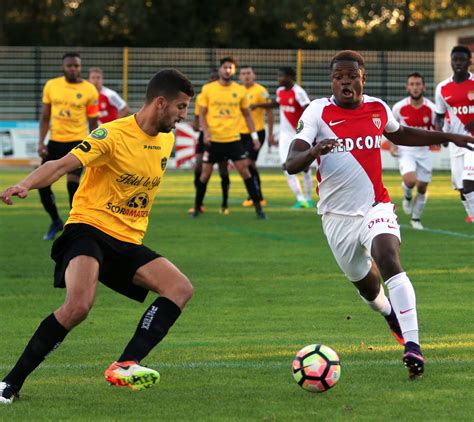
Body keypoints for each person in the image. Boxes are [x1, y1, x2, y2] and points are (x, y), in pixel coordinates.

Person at [0, 69, 195, 404]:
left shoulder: (167, 138)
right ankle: (9, 383)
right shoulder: (112, 135)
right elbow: (61, 165)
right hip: (88, 229)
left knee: (180, 288)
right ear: (161, 103)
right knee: (78, 306)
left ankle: (126, 363)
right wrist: (25, 184)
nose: (183, 116)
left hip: (127, 240)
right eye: (180, 107)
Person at [285, 50, 473, 379]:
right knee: (370, 291)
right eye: (338, 76)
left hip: (376, 206)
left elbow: (402, 134)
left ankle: (413, 346)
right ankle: (387, 311)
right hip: (336, 218)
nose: (345, 81)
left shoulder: (377, 108)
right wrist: (314, 150)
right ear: (333, 81)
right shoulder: (317, 112)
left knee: (388, 256)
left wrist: (448, 136)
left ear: (362, 78)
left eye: (351, 75)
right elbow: (291, 162)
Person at [192, 56, 266, 219]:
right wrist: (205, 132)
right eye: (225, 67)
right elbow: (202, 114)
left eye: (230, 68)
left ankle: (259, 209)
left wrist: (254, 137)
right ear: (220, 69)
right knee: (205, 174)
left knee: (245, 172)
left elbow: (247, 115)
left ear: (234, 71)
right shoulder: (208, 89)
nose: (227, 70)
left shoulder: (239, 90)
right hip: (213, 140)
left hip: (233, 139)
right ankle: (197, 208)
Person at [38, 52, 99, 240]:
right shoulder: (51, 86)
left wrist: (94, 146)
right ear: (63, 67)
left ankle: (75, 225)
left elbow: (93, 121)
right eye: (70, 65)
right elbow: (46, 116)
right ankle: (56, 220)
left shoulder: (90, 90)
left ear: (80, 67)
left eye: (77, 66)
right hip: (55, 141)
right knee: (42, 184)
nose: (73, 69)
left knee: (73, 184)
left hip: (78, 142)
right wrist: (41, 142)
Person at [253, 67, 313, 208]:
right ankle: (300, 198)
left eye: (281, 76)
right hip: (285, 136)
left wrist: (307, 130)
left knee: (305, 168)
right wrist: (258, 105)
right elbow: (277, 103)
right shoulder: (280, 91)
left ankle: (309, 198)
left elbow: (308, 109)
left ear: (290, 77)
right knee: (286, 166)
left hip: (300, 135)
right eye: (278, 75)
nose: (278, 79)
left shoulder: (299, 92)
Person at [390, 72, 437, 230]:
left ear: (424, 87)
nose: (415, 87)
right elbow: (390, 128)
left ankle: (416, 219)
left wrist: (437, 141)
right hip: (406, 150)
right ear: (407, 87)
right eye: (412, 84)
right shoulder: (399, 107)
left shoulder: (432, 109)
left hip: (424, 151)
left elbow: (437, 129)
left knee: (423, 187)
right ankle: (408, 196)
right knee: (410, 181)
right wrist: (392, 144)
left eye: (418, 84)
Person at [434, 45, 474, 223]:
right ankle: (471, 216)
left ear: (469, 62)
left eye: (462, 59)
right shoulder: (442, 88)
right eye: (455, 59)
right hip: (455, 143)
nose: (458, 63)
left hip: (472, 142)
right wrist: (440, 134)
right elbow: (439, 116)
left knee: (468, 184)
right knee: (461, 189)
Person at [188, 69, 231, 215]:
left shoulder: (226, 95)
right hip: (204, 136)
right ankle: (199, 204)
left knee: (223, 170)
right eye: (210, 79)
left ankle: (225, 204)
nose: (212, 82)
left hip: (222, 136)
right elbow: (197, 118)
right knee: (199, 167)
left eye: (215, 79)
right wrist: (195, 125)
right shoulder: (203, 96)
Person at [238, 65, 275, 207]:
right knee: (249, 165)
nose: (246, 76)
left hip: (257, 133)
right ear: (240, 77)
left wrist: (270, 134)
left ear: (254, 75)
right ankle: (256, 197)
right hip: (240, 133)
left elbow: (270, 112)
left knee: (246, 163)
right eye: (243, 73)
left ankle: (255, 197)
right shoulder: (237, 91)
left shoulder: (261, 91)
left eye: (248, 73)